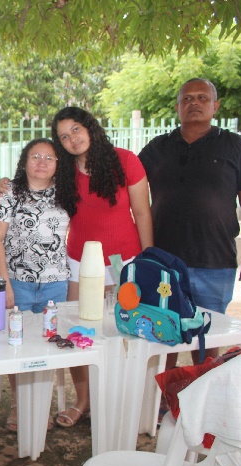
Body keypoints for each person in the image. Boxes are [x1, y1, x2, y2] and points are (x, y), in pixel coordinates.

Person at [138, 78, 241, 370]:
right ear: (177, 107)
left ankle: (205, 392)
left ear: (215, 106)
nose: (194, 103)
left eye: (202, 98)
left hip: (215, 262)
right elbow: (126, 187)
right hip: (164, 263)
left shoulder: (235, 146)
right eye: (187, 98)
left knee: (207, 339)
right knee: (164, 336)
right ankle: (164, 394)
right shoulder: (157, 148)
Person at [52, 106, 153, 428]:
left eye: (75, 130)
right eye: (63, 137)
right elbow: (30, 180)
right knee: (76, 330)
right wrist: (3, 184)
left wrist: (148, 259)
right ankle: (84, 401)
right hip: (79, 261)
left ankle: (118, 401)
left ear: (90, 128)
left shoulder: (125, 161)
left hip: (125, 261)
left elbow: (143, 212)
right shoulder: (62, 170)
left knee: (122, 331)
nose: (72, 139)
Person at [0, 138, 73, 432]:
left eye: (49, 158)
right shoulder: (9, 192)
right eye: (35, 156)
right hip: (18, 283)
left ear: (58, 164)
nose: (42, 162)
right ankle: (19, 404)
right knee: (18, 345)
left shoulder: (67, 192)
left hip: (55, 283)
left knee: (49, 344)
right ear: (24, 161)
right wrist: (5, 285)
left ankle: (42, 405)